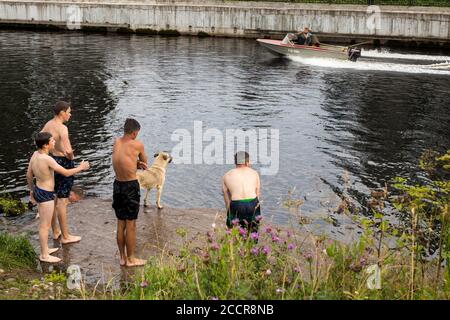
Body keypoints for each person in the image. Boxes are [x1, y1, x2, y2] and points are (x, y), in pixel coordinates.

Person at [26, 132, 90, 263]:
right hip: (46, 194)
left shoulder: (34, 155)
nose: (54, 142)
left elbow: (28, 174)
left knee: (44, 224)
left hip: (39, 190)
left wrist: (32, 192)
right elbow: (66, 172)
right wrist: (81, 168)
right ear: (45, 145)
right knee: (44, 226)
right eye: (52, 141)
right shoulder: (47, 159)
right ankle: (44, 255)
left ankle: (45, 249)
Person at [40, 101, 80, 244]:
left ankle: (56, 231)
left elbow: (40, 140)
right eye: (69, 111)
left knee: (54, 197)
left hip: (53, 161)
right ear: (62, 112)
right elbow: (68, 151)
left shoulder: (48, 125)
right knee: (62, 201)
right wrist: (70, 156)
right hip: (64, 163)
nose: (70, 114)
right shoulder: (62, 128)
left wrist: (53, 151)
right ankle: (66, 237)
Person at [112, 118, 148, 267]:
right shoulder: (137, 144)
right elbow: (145, 164)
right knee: (131, 224)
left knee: (121, 223)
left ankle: (122, 257)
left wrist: (135, 162)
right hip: (130, 187)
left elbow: (121, 160)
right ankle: (131, 259)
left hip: (117, 185)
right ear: (134, 132)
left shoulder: (116, 142)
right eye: (137, 133)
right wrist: (139, 163)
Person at [222, 151, 261, 233]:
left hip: (236, 204)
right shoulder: (254, 173)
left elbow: (227, 200)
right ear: (247, 162)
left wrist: (229, 214)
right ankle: (252, 243)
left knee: (233, 232)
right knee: (253, 231)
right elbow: (257, 195)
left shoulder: (227, 175)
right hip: (252, 203)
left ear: (235, 162)